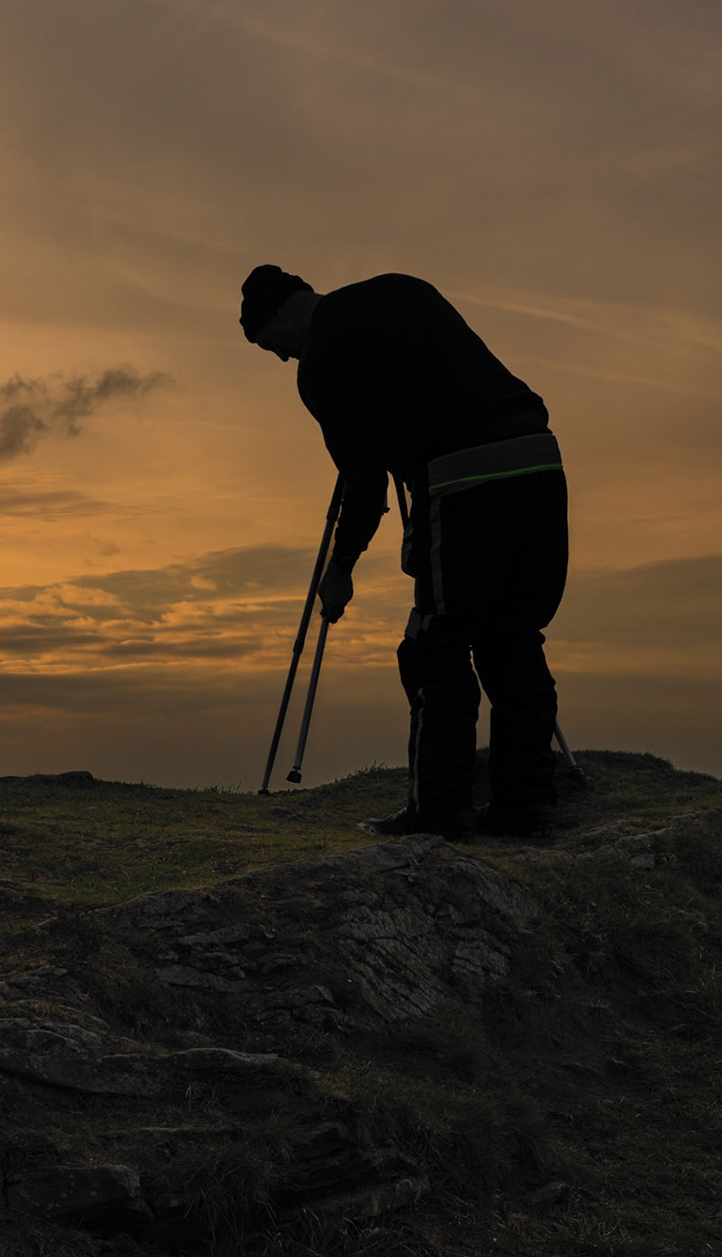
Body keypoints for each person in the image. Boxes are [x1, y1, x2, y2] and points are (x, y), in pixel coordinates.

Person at [240, 264, 569, 838]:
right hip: (538, 457)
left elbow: (364, 483)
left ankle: (439, 809)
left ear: (278, 314)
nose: (282, 359)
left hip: (465, 474)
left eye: (274, 347)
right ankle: (525, 804)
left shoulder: (322, 358)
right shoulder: (401, 288)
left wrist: (340, 568)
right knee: (511, 634)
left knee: (435, 643)